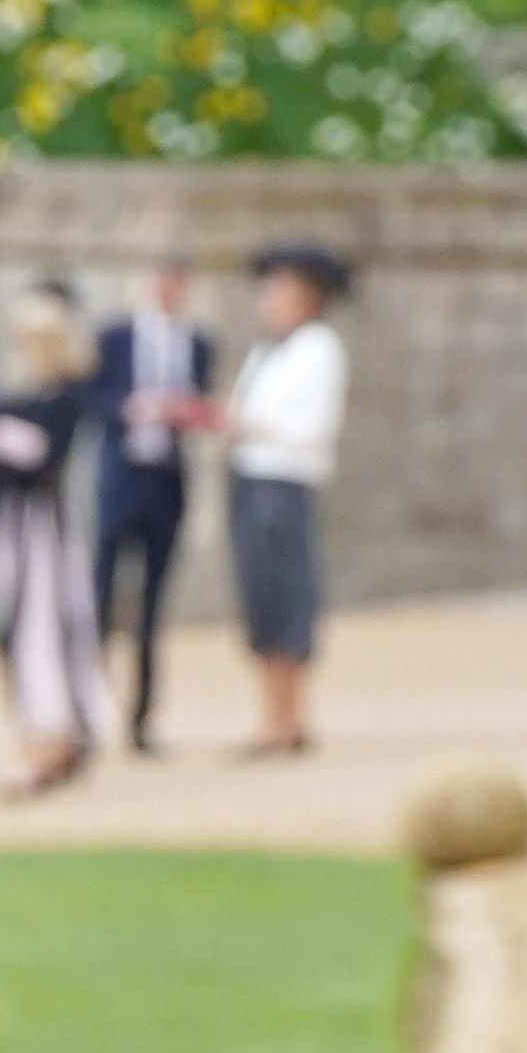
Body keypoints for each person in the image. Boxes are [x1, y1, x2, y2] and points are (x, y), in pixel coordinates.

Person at [0, 284, 113, 797]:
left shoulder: (64, 401)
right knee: (15, 629)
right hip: (12, 529)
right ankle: (44, 735)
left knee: (43, 633)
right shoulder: (23, 399)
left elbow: (39, 457)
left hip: (43, 534)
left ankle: (51, 741)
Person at [198, 242, 351, 757]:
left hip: (284, 481)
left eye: (277, 292)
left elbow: (309, 427)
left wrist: (245, 424)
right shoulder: (268, 351)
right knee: (259, 595)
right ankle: (274, 714)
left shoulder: (320, 350)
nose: (267, 302)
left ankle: (287, 717)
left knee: (286, 592)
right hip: (250, 476)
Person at [85, 251, 215, 754]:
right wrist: (129, 408)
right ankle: (87, 710)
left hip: (166, 482)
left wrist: (183, 411)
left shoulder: (198, 344)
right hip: (121, 479)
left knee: (152, 605)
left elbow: (200, 404)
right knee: (101, 596)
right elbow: (92, 399)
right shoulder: (115, 337)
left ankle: (141, 718)